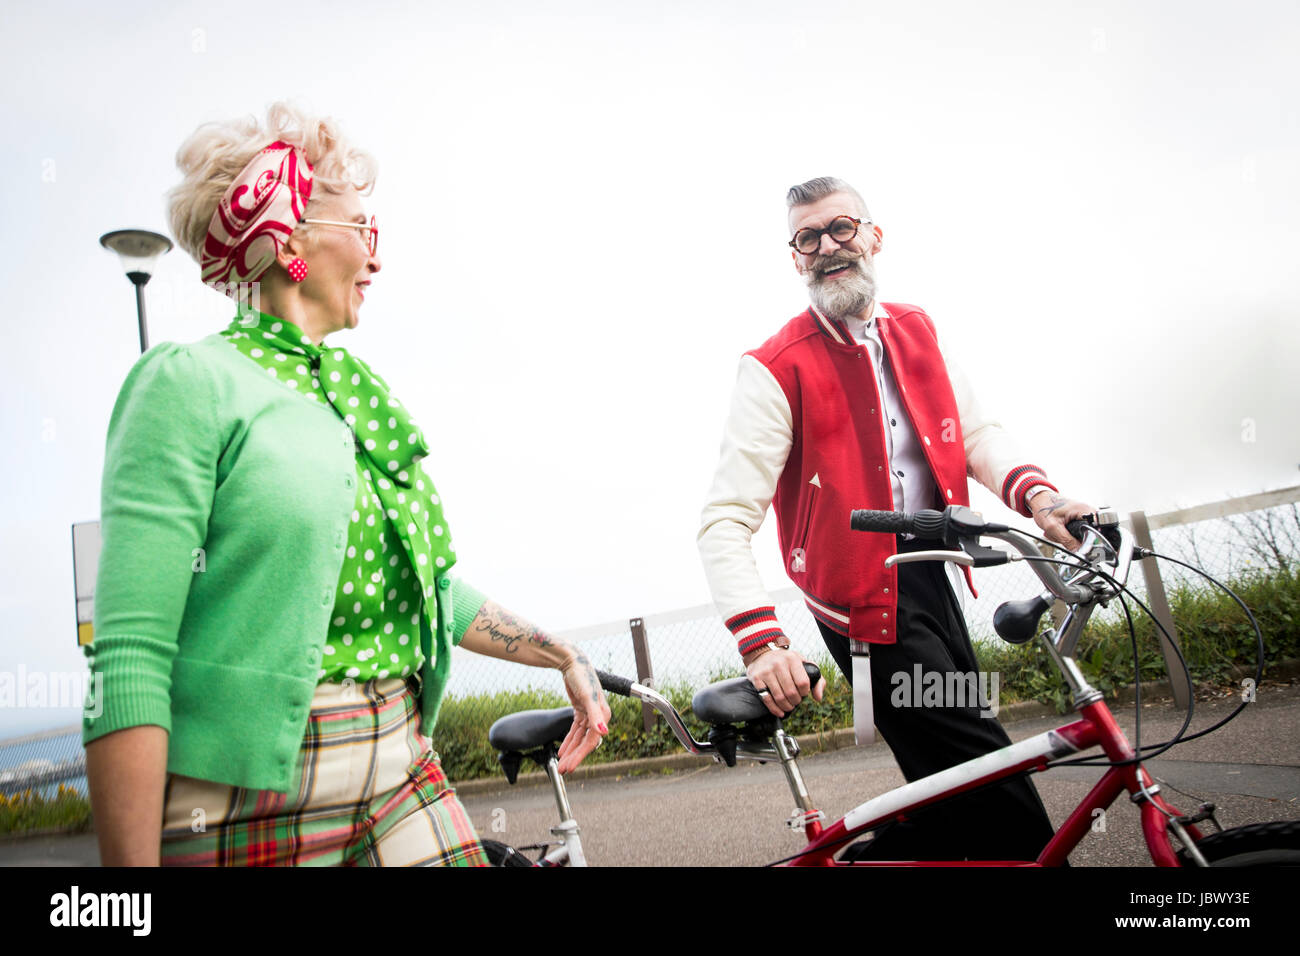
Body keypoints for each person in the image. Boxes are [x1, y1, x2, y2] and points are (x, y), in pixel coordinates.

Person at [82, 102, 610, 867]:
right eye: (364, 227)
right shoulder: (189, 384)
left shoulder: (356, 393)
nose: (378, 255)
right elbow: (131, 650)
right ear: (289, 233)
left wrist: (560, 653)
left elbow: (423, 586)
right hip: (246, 800)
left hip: (400, 764)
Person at [697, 176, 1093, 861]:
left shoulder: (916, 330)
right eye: (808, 238)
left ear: (875, 237)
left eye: (842, 229)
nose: (828, 247)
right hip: (864, 611)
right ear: (795, 258)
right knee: (994, 779)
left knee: (954, 782)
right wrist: (762, 642)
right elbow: (725, 519)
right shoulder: (774, 366)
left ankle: (875, 856)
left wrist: (1041, 498)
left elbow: (975, 435)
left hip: (937, 580)